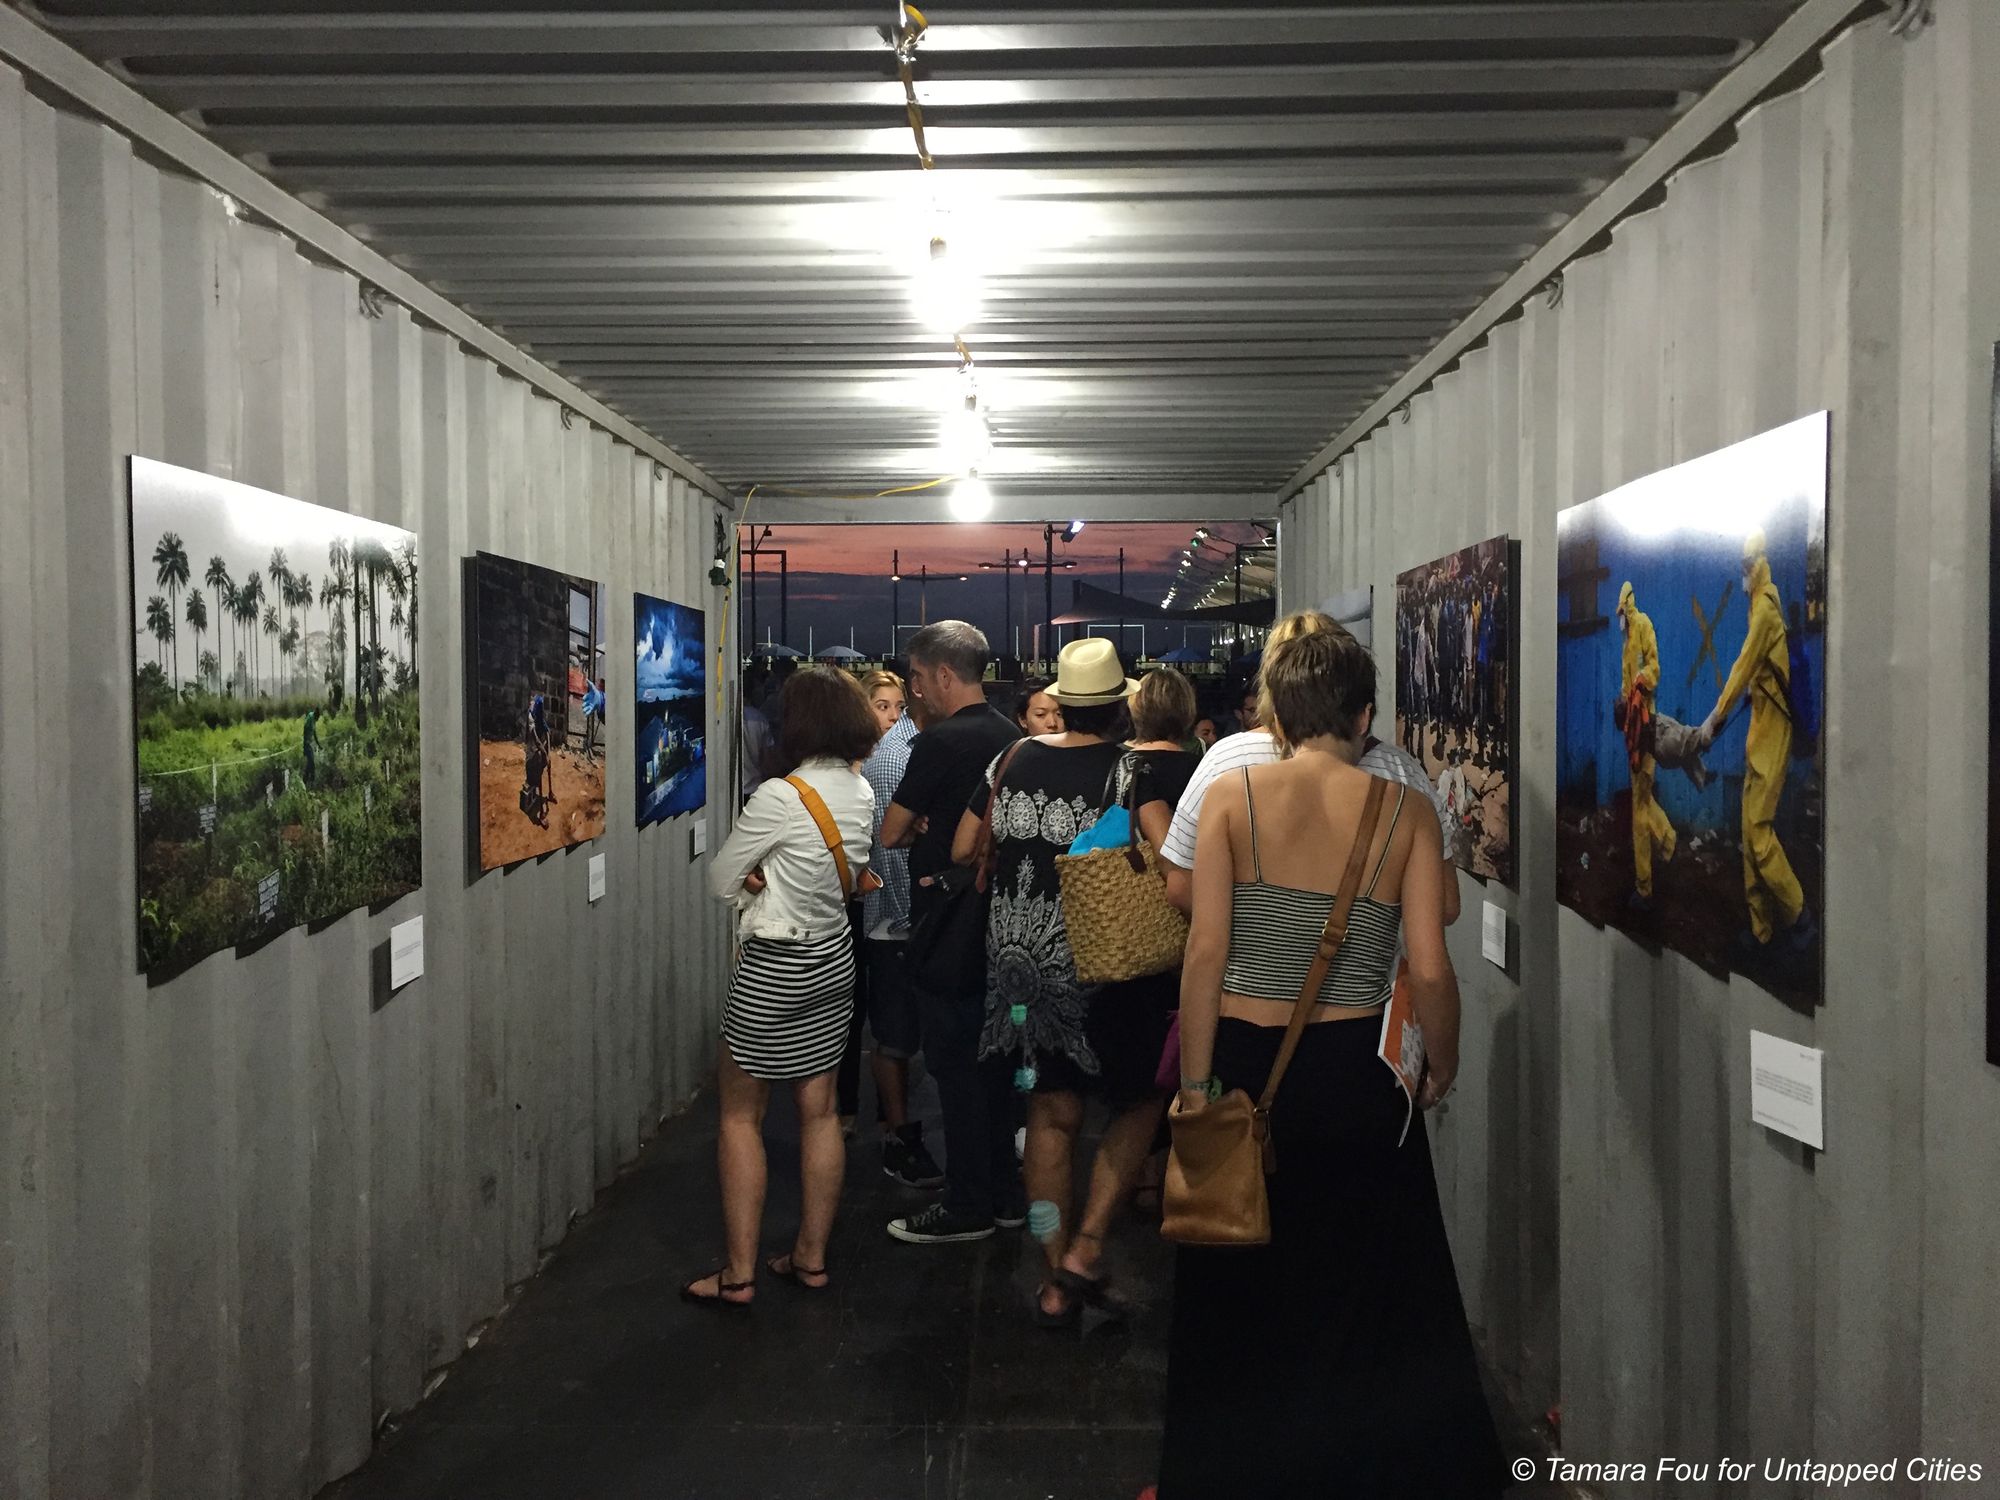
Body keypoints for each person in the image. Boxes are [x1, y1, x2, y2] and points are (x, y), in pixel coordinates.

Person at [1157, 625, 1505, 1498]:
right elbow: (1430, 966)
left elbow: (1205, 954)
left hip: (1244, 1060)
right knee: (1364, 1279)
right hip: (1356, 1068)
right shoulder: (1405, 809)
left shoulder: (1230, 796)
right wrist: (1442, 1063)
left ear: (1275, 711)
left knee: (1239, 1276)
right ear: (1363, 714)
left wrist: (1196, 1087)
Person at [950, 641, 1185, 1326]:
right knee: (1140, 1101)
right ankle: (1086, 1248)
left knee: (1049, 1116)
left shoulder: (1010, 757)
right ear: (1119, 708)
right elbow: (1172, 861)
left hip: (1022, 966)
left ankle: (1054, 1275)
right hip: (1103, 965)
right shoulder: (1131, 771)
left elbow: (963, 847)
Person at [685, 666, 880, 1306]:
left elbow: (720, 880)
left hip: (776, 964)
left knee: (740, 1114)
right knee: (820, 1114)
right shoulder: (860, 791)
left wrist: (754, 885)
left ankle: (739, 1275)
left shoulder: (778, 795)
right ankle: (810, 1258)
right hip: (834, 957)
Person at [1160, 611, 1462, 929]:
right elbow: (1445, 905)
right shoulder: (1400, 771)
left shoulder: (1225, 762)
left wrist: (1253, 932)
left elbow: (1180, 886)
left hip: (1247, 959)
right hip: (1368, 960)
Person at [879, 622, 1024, 1244]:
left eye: (915, 679)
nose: (914, 692)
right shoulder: (1013, 738)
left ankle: (967, 1205)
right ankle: (1006, 1194)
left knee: (954, 1068)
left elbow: (890, 831)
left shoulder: (937, 743)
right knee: (995, 1066)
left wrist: (924, 827)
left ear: (943, 674)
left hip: (946, 923)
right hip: (1000, 922)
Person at [845, 670, 945, 1188]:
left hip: (894, 915)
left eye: (896, 705)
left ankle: (895, 1128)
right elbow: (890, 849)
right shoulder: (893, 759)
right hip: (895, 917)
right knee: (894, 1033)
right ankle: (896, 1134)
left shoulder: (899, 754)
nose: (890, 715)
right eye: (880, 705)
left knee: (896, 1032)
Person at [1697, 531, 1816, 953]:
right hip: (1759, 733)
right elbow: (1761, 670)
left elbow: (1743, 666)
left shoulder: (1765, 610)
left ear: (1759, 564)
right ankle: (1761, 929)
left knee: (1760, 831)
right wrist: (1754, 690)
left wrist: (1714, 718)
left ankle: (1800, 917)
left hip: (1774, 735)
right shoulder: (1758, 606)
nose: (1743, 573)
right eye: (1742, 566)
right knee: (1749, 835)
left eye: (1748, 566)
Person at [1616, 582, 1678, 908]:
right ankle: (1667, 839)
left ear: (1627, 607)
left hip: (1645, 727)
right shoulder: (1627, 641)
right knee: (1642, 796)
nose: (1619, 619)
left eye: (1620, 612)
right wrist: (1622, 700)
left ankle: (1644, 887)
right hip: (1633, 729)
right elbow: (1626, 682)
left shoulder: (1643, 625)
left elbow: (1654, 668)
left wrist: (1641, 681)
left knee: (1639, 810)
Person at [301, 706, 319, 788]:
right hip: (307, 744)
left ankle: (305, 781)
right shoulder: (310, 717)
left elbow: (314, 732)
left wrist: (318, 744)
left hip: (310, 743)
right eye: (317, 718)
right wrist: (306, 741)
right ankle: (310, 781)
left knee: (310, 763)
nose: (317, 719)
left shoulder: (313, 719)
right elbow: (305, 728)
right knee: (311, 762)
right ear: (315, 715)